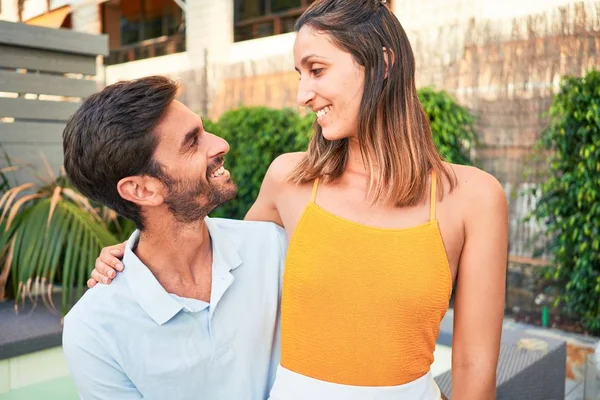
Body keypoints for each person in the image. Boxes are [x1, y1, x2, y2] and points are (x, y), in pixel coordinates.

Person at [91, 0, 509, 399]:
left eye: (317, 70)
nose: (302, 94)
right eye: (300, 74)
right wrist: (134, 258)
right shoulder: (289, 180)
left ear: (384, 63)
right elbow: (216, 272)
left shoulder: (473, 199)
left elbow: (473, 366)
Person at [61, 76, 287, 400]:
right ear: (142, 189)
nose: (221, 143)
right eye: (192, 141)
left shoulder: (273, 247)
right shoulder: (93, 330)